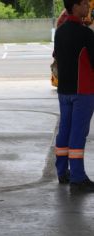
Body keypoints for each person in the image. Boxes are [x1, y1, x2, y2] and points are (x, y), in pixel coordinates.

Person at [54, 0, 94, 192]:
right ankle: (78, 178)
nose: (88, 7)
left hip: (64, 91)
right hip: (83, 91)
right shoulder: (86, 33)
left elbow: (56, 56)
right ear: (75, 6)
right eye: (85, 4)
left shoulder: (59, 31)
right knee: (78, 134)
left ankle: (62, 172)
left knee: (65, 131)